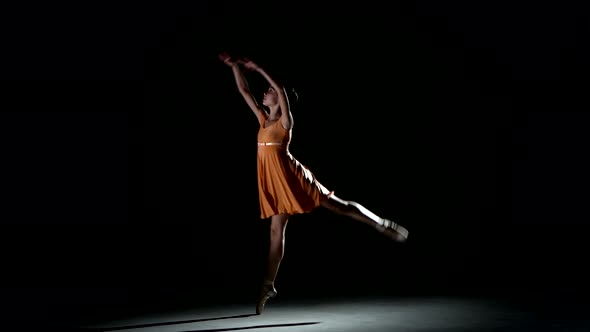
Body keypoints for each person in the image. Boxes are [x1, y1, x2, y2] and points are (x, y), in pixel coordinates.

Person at [218, 52, 409, 315]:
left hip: (295, 179)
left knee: (338, 206)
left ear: (282, 100)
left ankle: (379, 223)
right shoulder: (263, 120)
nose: (266, 92)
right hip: (275, 184)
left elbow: (282, 89)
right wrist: (234, 66)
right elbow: (243, 89)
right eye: (268, 90)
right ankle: (268, 285)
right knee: (275, 234)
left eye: (270, 90)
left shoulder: (286, 123)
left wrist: (260, 67)